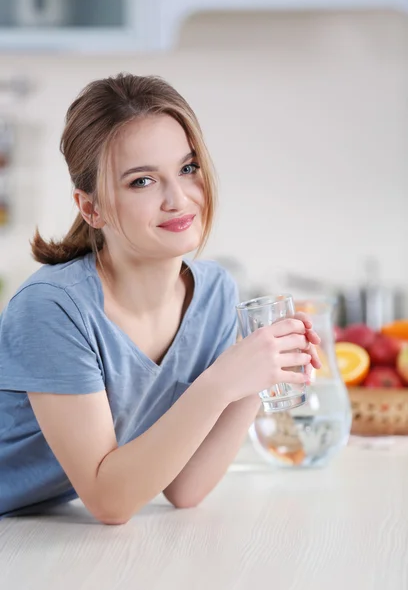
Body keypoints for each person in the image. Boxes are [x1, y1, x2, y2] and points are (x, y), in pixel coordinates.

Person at [0, 73, 321, 524]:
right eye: (142, 182)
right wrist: (221, 382)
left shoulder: (214, 293)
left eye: (188, 169)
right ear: (91, 207)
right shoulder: (52, 308)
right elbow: (109, 501)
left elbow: (185, 487)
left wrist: (259, 376)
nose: (179, 199)